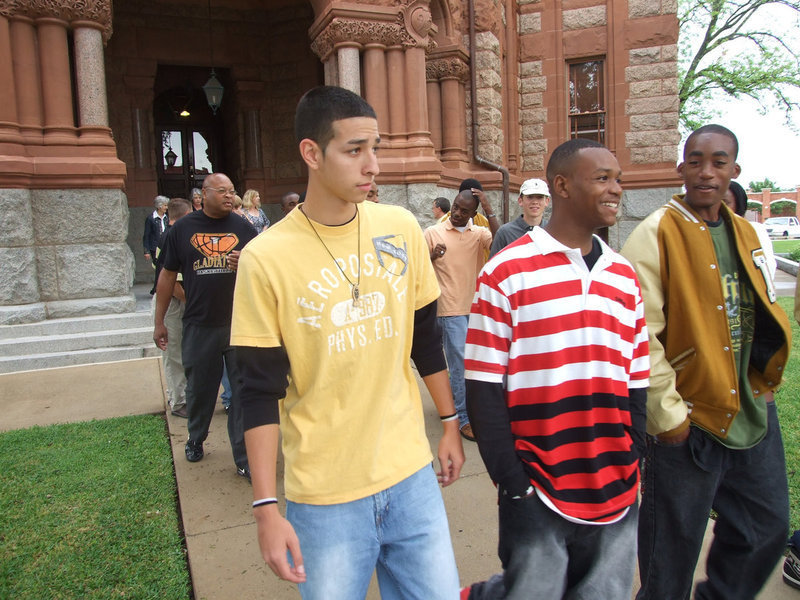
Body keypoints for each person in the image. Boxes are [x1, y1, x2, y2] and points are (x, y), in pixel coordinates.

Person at [230, 85, 464, 599]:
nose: (372, 164)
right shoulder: (265, 258)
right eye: (354, 150)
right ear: (312, 154)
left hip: (410, 477)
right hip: (325, 496)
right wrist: (266, 507)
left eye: (374, 147)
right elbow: (258, 390)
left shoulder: (400, 227)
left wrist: (449, 422)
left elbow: (423, 340)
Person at [462, 138, 649, 599]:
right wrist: (513, 484)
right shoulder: (506, 273)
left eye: (618, 178)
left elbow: (637, 380)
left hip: (617, 486)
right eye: (602, 178)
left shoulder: (623, 276)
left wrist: (635, 455)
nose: (616, 189)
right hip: (537, 489)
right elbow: (484, 389)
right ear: (561, 186)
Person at [621, 124, 791, 600]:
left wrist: (764, 376)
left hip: (751, 409)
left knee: (766, 525)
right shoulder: (656, 233)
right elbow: (640, 334)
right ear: (681, 170)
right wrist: (667, 416)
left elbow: (763, 306)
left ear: (734, 171)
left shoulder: (746, 232)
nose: (706, 172)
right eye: (695, 161)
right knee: (668, 556)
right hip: (689, 419)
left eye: (718, 162)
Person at [153, 172, 257, 479]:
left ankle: (243, 457)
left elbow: (265, 266)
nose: (229, 196)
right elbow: (167, 276)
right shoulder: (182, 229)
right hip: (200, 325)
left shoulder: (243, 227)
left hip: (239, 324)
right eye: (222, 191)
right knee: (200, 390)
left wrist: (248, 263)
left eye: (232, 191)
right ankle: (195, 438)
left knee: (240, 393)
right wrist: (160, 322)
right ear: (205, 193)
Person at [424, 189, 497, 441]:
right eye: (455, 207)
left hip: (477, 309)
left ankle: (467, 408)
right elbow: (416, 267)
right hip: (449, 310)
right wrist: (431, 257)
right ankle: (464, 418)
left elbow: (504, 243)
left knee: (477, 364)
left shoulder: (480, 234)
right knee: (459, 365)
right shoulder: (433, 233)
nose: (456, 213)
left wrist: (489, 209)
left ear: (473, 215)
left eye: (464, 211)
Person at [153, 197, 192, 418]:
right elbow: (172, 283)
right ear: (185, 216)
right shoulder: (173, 236)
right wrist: (193, 303)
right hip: (172, 302)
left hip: (176, 300)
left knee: (182, 352)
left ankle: (184, 396)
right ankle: (179, 402)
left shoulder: (169, 235)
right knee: (174, 353)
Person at [724, 180, 777, 279]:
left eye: (725, 203)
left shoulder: (755, 230)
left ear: (739, 204)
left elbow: (768, 268)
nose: (719, 207)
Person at [489, 177, 550, 258]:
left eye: (539, 197)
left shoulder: (553, 233)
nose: (535, 202)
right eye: (530, 197)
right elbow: (494, 267)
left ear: (547, 201)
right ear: (520, 201)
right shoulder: (505, 233)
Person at [143, 195, 169, 294]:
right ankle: (157, 289)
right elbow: (147, 235)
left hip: (165, 247)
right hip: (155, 248)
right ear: (159, 206)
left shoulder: (167, 218)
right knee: (159, 268)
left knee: (164, 268)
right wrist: (146, 251)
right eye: (165, 205)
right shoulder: (151, 219)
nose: (166, 208)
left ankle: (159, 288)